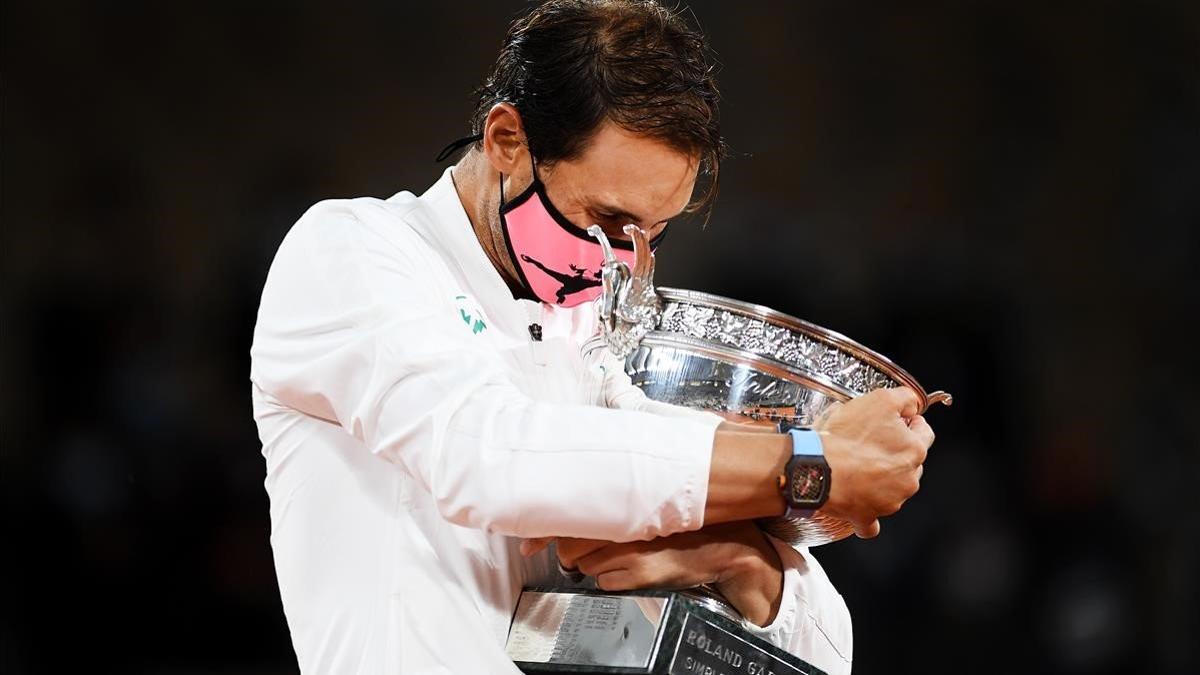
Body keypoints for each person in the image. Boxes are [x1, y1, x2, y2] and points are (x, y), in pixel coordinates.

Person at [249, 1, 935, 673]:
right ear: (506, 141)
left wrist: (744, 562)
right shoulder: (351, 252)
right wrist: (808, 464)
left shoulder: (587, 336)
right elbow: (489, 457)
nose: (622, 265)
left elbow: (825, 649)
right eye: (605, 222)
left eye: (651, 235)